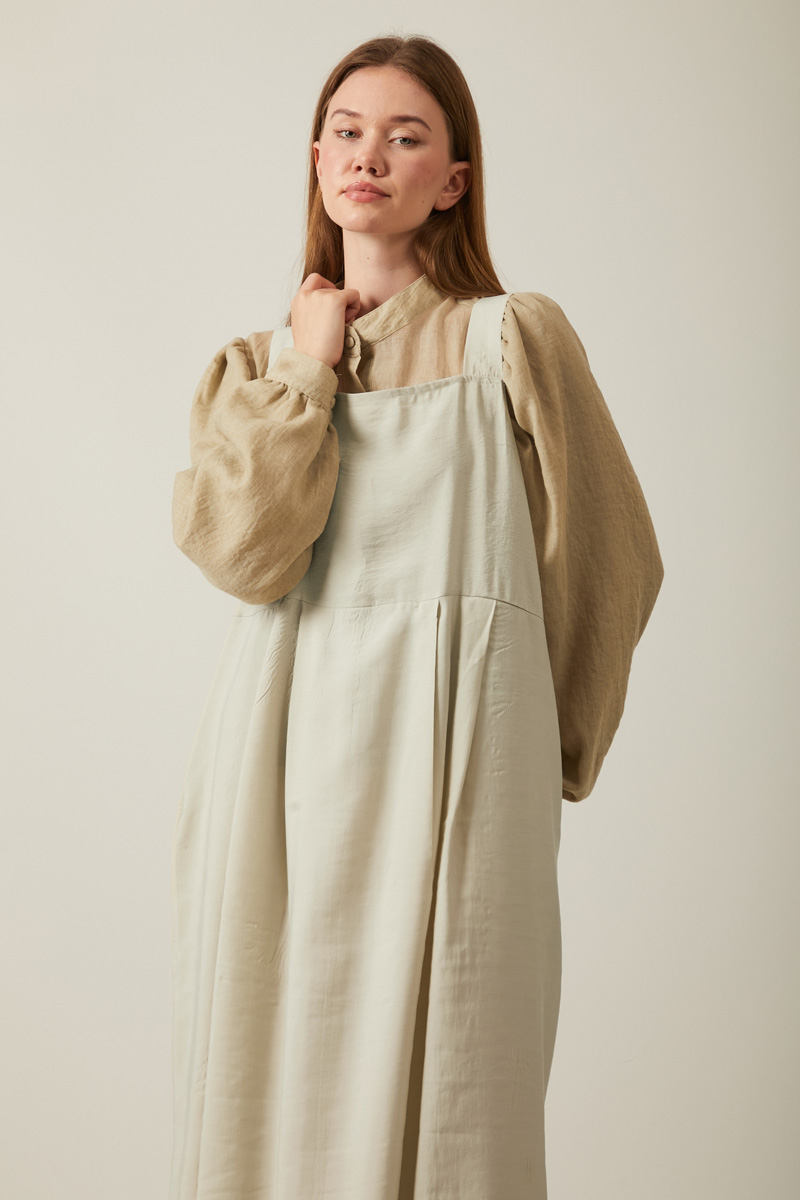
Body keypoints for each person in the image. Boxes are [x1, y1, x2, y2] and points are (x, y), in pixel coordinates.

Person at [169, 33, 664, 1200]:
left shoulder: (509, 340)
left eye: (404, 137)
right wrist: (308, 370)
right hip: (277, 759)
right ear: (315, 159)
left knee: (458, 1082)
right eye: (346, 132)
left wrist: (545, 745)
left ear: (451, 179)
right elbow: (244, 553)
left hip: (457, 756)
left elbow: (612, 554)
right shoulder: (253, 368)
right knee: (270, 1061)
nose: (368, 156)